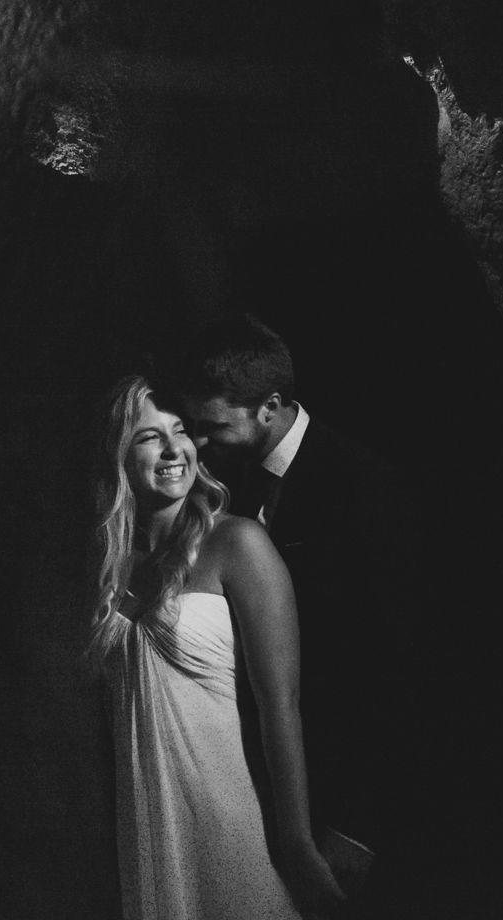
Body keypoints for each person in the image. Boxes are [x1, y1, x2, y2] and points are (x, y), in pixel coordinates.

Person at [171, 314, 413, 912]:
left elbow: (403, 667)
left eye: (212, 426)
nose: (197, 444)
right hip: (286, 794)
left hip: (363, 809)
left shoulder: (365, 489)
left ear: (270, 407)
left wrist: (360, 825)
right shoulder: (243, 486)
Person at [86, 374, 343, 920]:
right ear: (118, 457)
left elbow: (281, 705)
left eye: (181, 430)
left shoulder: (237, 543)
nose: (175, 448)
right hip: (149, 824)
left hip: (235, 820)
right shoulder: (111, 572)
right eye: (149, 436)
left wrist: (296, 842)